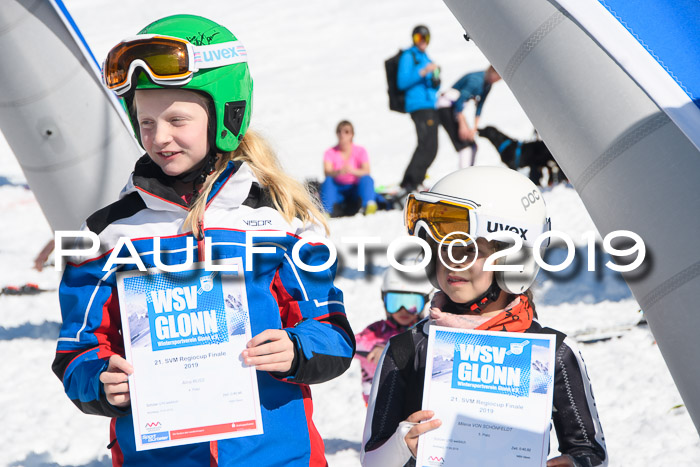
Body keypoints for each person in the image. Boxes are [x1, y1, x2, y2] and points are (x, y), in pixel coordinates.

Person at [51, 15, 355, 466]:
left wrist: (295, 350)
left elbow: (332, 332)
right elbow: (77, 347)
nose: (159, 137)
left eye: (177, 119)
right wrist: (100, 382)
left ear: (226, 114)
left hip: (274, 455)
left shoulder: (278, 222)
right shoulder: (107, 234)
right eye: (146, 121)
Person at [361, 166, 607, 466]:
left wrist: (573, 464)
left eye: (466, 249)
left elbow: (592, 453)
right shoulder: (406, 349)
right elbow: (371, 458)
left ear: (514, 259)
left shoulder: (553, 353)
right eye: (441, 248)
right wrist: (402, 444)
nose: (451, 262)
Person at [354, 264, 433, 404]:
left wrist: (390, 351)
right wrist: (378, 348)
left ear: (425, 302)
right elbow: (353, 344)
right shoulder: (377, 331)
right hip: (379, 404)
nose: (403, 310)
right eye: (395, 302)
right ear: (384, 301)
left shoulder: (426, 331)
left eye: (412, 304)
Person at [397, 25, 441, 196]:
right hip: (418, 105)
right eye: (418, 38)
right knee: (427, 145)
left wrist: (435, 78)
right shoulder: (409, 56)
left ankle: (415, 179)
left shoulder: (425, 57)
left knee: (431, 146)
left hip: (429, 104)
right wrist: (423, 71)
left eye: (425, 38)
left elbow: (432, 85)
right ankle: (410, 181)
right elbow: (402, 82)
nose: (422, 42)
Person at [437, 65, 502, 167]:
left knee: (473, 146)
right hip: (446, 107)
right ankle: (463, 176)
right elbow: (459, 102)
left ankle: (470, 172)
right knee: (465, 147)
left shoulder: (488, 84)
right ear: (491, 72)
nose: (497, 81)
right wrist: (462, 126)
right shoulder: (476, 80)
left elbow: (479, 106)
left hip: (455, 110)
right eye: (497, 78)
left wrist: (474, 128)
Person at [320, 120, 378, 216]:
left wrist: (352, 171)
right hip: (338, 188)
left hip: (355, 188)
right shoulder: (329, 152)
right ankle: (327, 210)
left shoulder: (360, 151)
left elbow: (367, 170)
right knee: (328, 181)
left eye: (346, 132)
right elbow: (327, 172)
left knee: (367, 179)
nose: (342, 135)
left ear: (352, 134)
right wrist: (338, 172)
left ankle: (369, 205)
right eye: (339, 131)